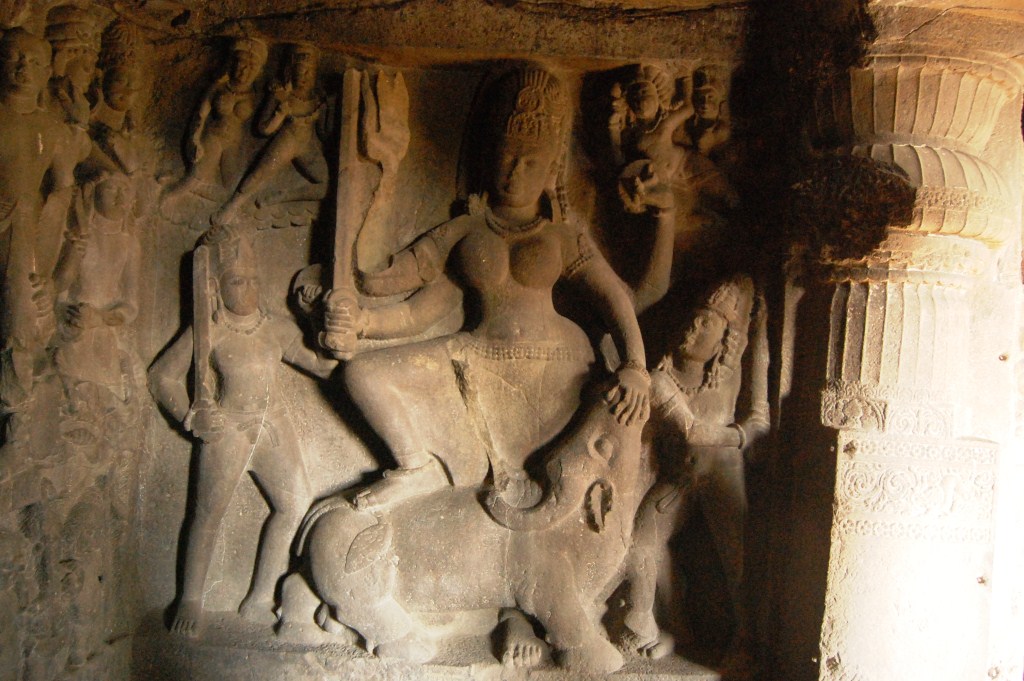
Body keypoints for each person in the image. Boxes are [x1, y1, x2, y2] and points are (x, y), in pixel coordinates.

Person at [323, 66, 650, 512]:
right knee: (361, 375)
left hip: (559, 365)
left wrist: (635, 367)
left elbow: (613, 298)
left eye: (531, 162)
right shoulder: (466, 230)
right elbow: (408, 303)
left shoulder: (563, 235)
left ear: (552, 168)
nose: (515, 171)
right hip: (476, 355)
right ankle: (416, 467)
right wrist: (361, 322)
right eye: (507, 155)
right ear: (488, 155)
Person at [148, 235, 337, 636]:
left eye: (253, 280)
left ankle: (260, 596)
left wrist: (325, 327)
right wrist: (189, 416)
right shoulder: (210, 331)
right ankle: (190, 598)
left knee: (294, 505)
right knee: (207, 515)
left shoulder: (274, 329)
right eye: (237, 281)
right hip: (228, 429)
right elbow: (161, 376)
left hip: (273, 427)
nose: (248, 289)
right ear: (216, 288)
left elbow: (322, 367)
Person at [622, 275, 769, 663]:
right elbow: (689, 430)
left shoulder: (733, 375)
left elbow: (760, 419)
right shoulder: (660, 379)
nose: (693, 328)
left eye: (706, 324)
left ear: (725, 340)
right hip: (679, 476)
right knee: (643, 542)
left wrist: (760, 326)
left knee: (737, 559)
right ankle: (672, 627)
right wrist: (738, 435)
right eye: (692, 319)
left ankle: (747, 639)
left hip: (724, 474)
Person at [0, 28, 78, 417]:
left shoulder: (53, 129)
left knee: (22, 314)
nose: (23, 66)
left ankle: (16, 408)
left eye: (33, 61)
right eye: (15, 57)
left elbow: (62, 191)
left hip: (26, 229)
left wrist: (48, 266)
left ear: (47, 71)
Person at [212, 42, 326, 227]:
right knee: (258, 175)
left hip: (307, 146)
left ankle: (280, 197)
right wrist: (279, 114)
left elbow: (324, 133)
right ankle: (233, 204)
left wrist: (328, 110)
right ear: (291, 71)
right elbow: (263, 128)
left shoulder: (318, 99)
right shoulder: (280, 94)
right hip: (287, 141)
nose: (304, 76)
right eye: (300, 71)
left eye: (309, 72)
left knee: (324, 185)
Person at [160, 37, 267, 215]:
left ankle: (180, 182)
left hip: (235, 143)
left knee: (232, 190)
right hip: (214, 137)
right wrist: (194, 139)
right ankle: (170, 194)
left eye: (251, 67)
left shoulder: (256, 94)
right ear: (232, 64)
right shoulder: (219, 87)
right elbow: (201, 114)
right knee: (195, 178)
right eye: (241, 64)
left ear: (258, 71)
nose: (244, 72)